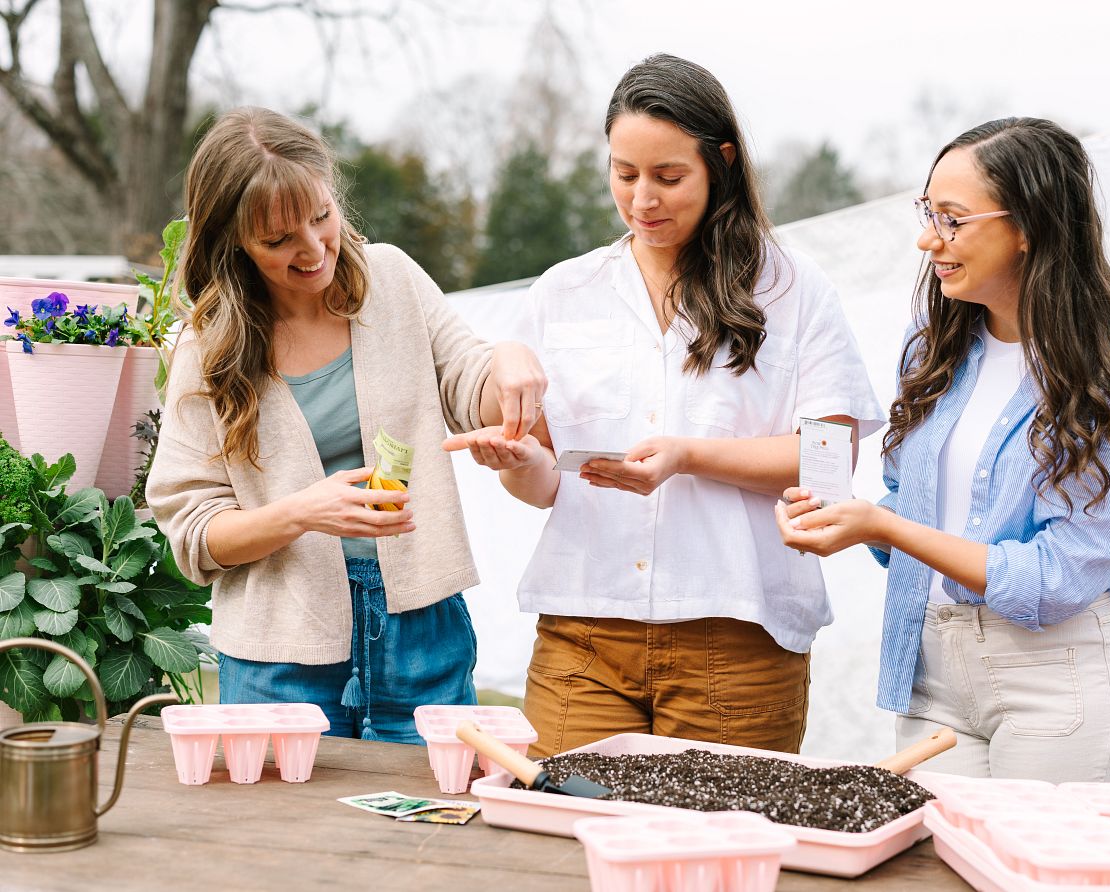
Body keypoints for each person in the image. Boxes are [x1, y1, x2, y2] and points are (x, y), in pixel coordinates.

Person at [445, 54, 883, 757]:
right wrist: (518, 461)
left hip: (736, 643)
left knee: (716, 855)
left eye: (668, 177)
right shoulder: (565, 292)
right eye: (625, 174)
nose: (642, 199)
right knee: (563, 847)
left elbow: (828, 464)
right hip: (582, 635)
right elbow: (543, 484)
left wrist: (688, 456)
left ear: (722, 164)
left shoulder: (794, 290)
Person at [775, 117, 1110, 782]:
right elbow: (913, 507)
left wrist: (886, 525)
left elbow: (1058, 578)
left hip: (1056, 679)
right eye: (927, 213)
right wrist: (848, 514)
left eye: (951, 219)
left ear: (1028, 225)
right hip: (933, 672)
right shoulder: (936, 345)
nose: (927, 240)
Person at [147, 107, 546, 743]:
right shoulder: (208, 347)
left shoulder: (392, 278)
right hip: (279, 649)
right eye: (278, 241)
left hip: (420, 626)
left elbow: (473, 389)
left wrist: (511, 359)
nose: (313, 250)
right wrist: (302, 512)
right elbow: (195, 537)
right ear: (234, 244)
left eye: (321, 217)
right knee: (286, 837)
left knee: (436, 829)